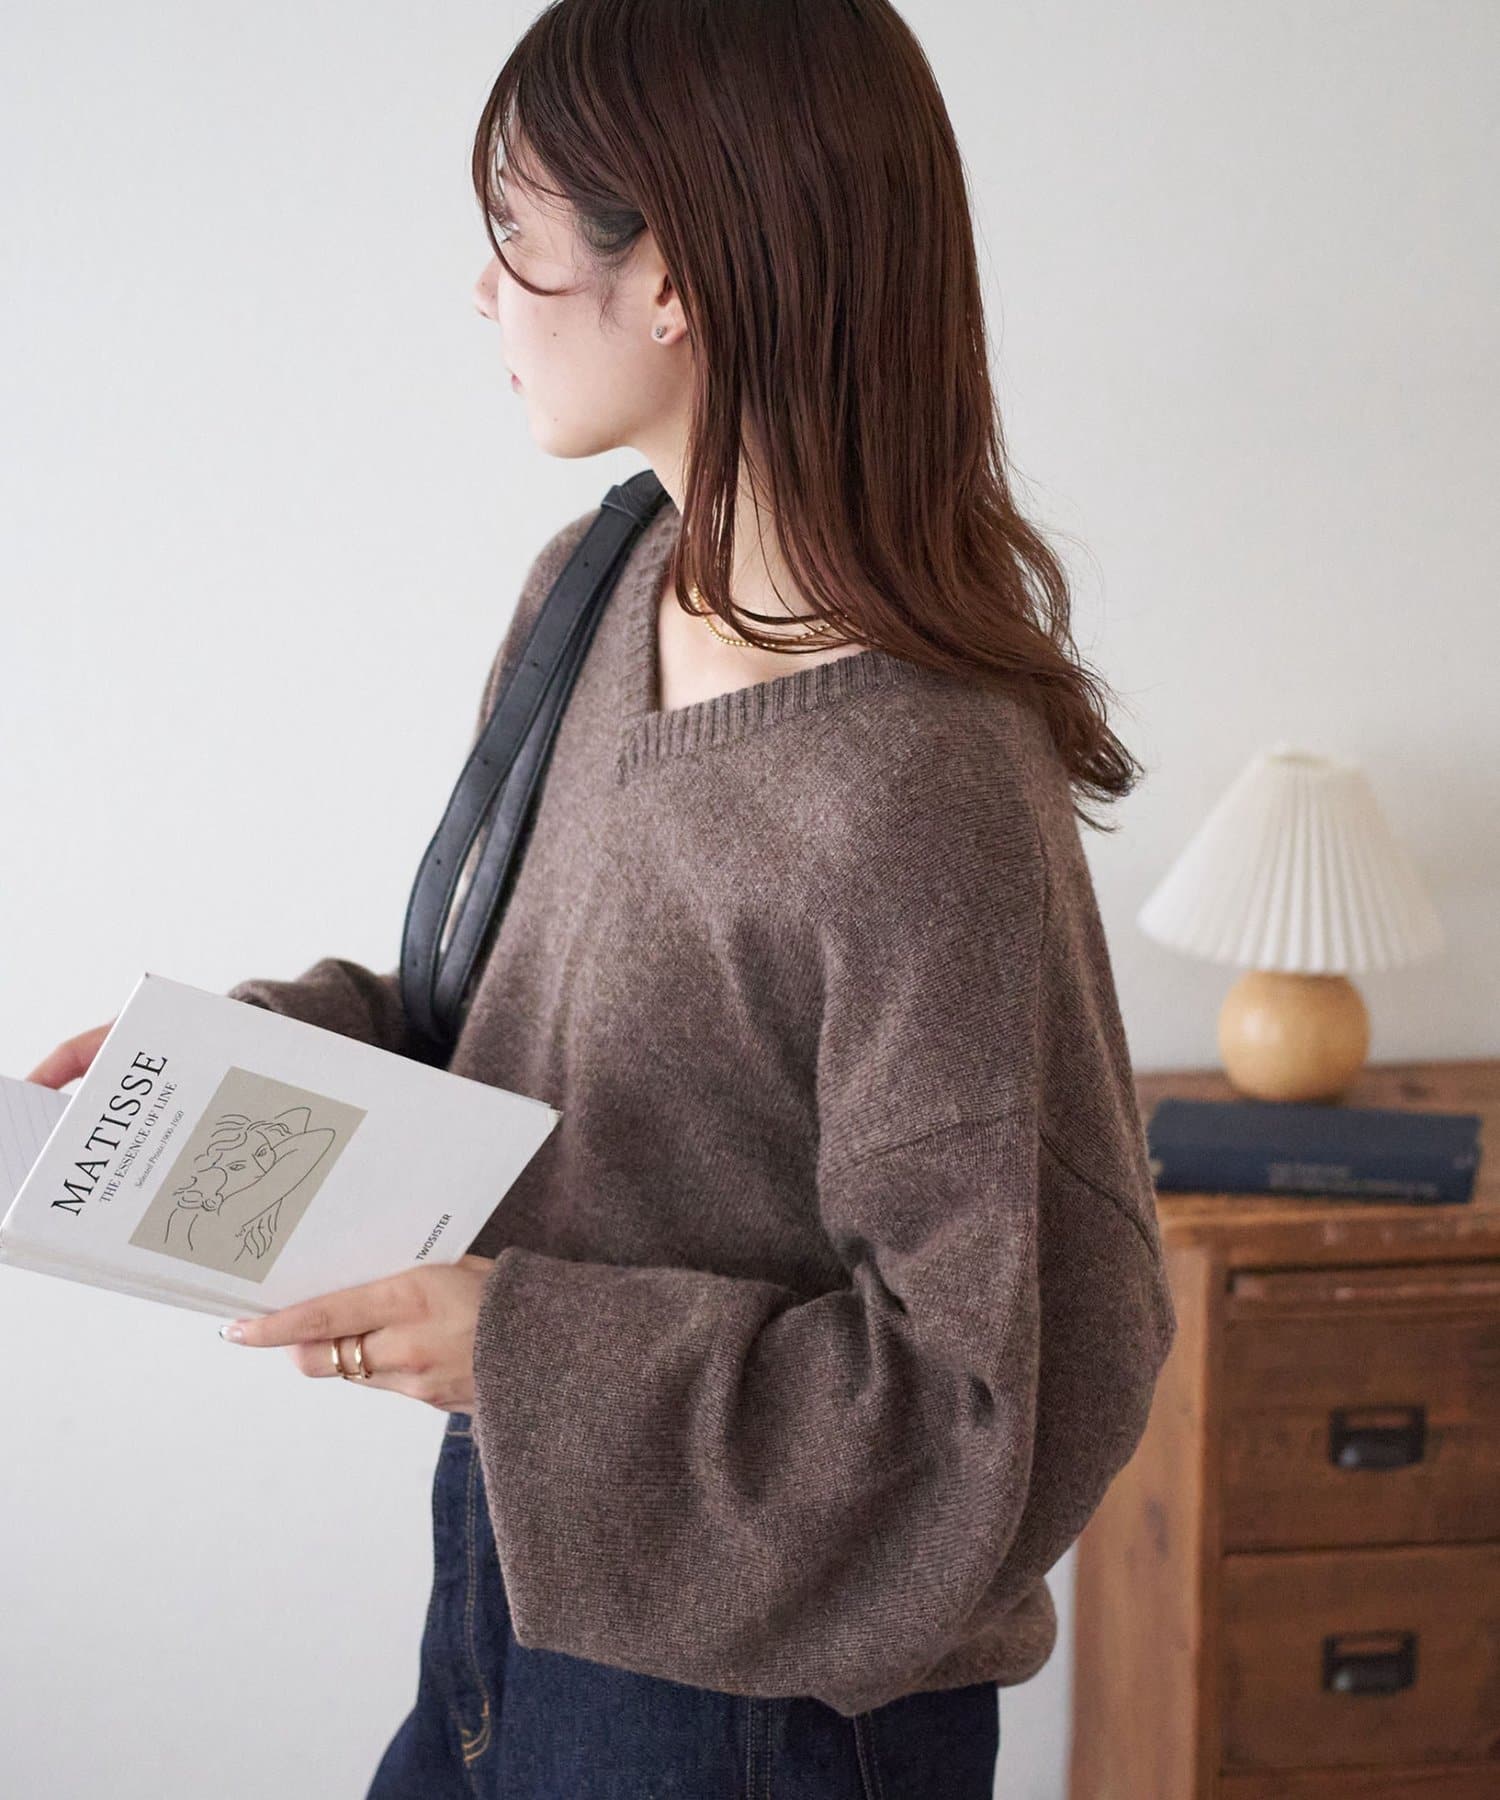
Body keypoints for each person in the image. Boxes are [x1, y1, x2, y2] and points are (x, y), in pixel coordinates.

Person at [29, 1, 1178, 1794]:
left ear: (677, 281)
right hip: (513, 1586)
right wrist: (226, 1071)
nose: (482, 291)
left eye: (516, 233)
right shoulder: (602, 581)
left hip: (762, 1713)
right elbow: (529, 1020)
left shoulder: (919, 778)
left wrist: (520, 1345)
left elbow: (988, 1403)